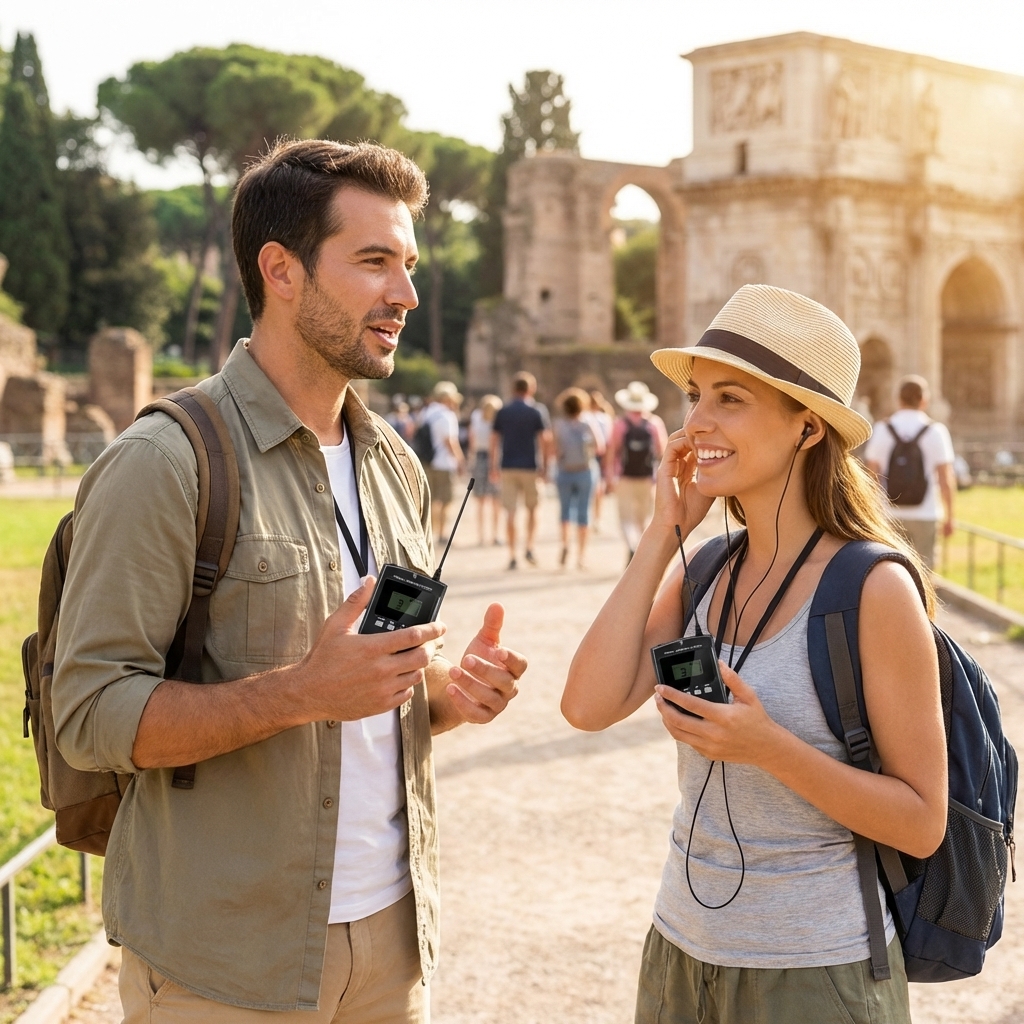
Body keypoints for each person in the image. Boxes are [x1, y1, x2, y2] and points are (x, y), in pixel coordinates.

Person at [52, 138, 528, 1024]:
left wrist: (446, 698)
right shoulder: (164, 462)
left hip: (393, 946)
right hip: (222, 963)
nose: (407, 295)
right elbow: (88, 714)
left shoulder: (395, 465)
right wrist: (299, 693)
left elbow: (369, 690)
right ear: (281, 270)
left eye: (410, 264)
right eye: (375, 261)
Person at [563, 285, 945, 1024]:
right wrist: (660, 532)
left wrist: (769, 746)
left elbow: (922, 820)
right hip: (681, 946)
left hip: (815, 971)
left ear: (807, 428)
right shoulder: (703, 567)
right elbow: (586, 706)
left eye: (729, 400)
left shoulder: (872, 588)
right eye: (696, 396)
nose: (695, 423)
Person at [864, 375, 955, 569]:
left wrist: (869, 513)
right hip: (926, 512)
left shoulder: (882, 429)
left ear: (899, 399)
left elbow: (871, 476)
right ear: (924, 400)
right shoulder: (936, 431)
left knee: (889, 572)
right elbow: (945, 478)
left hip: (889, 512)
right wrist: (950, 516)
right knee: (925, 575)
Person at [490, 371, 552, 570]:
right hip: (530, 466)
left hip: (507, 466)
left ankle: (512, 553)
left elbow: (494, 440)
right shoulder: (537, 411)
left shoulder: (503, 411)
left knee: (510, 511)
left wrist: (493, 466)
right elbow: (545, 440)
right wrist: (546, 465)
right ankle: (530, 546)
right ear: (531, 389)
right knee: (533, 509)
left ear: (513, 389)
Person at [608, 381, 667, 562]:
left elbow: (612, 451)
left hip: (625, 477)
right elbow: (662, 451)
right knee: (643, 517)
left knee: (626, 517)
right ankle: (641, 552)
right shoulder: (654, 423)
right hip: (647, 477)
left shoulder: (620, 424)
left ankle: (632, 546)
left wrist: (609, 475)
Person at [553, 388, 599, 568]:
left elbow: (554, 450)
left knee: (564, 512)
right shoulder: (588, 424)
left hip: (564, 471)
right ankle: (581, 556)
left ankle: (565, 545)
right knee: (583, 512)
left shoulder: (558, 425)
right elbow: (600, 445)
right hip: (585, 471)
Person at [420, 380, 466, 542]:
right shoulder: (447, 416)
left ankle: (429, 532)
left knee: (430, 500)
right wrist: (460, 460)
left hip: (427, 461)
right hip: (444, 463)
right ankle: (442, 533)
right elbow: (450, 441)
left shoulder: (426, 412)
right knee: (445, 500)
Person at [469, 394, 503, 546]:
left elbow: (472, 439)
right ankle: (495, 535)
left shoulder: (476, 416)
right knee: (495, 500)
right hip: (494, 458)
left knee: (481, 501)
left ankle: (481, 536)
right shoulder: (498, 421)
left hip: (480, 457)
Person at [582, 390, 613, 530]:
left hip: (587, 454)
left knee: (588, 487)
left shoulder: (584, 417)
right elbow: (609, 440)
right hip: (603, 453)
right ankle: (597, 518)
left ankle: (587, 516)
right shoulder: (605, 418)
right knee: (599, 488)